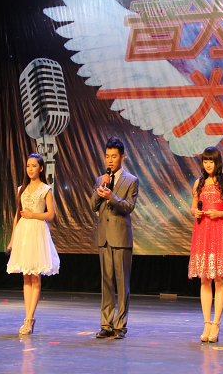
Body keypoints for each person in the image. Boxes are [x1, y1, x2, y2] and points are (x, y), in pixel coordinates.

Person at [188, 146, 223, 343]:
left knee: (219, 278)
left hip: (220, 230)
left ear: (218, 163)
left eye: (211, 161)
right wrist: (196, 212)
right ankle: (206, 324)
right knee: (204, 279)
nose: (208, 164)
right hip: (202, 231)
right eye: (205, 161)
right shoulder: (198, 183)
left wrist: (219, 214)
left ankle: (216, 324)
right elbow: (192, 208)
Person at [90, 136, 139, 340]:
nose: (110, 160)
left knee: (122, 283)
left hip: (121, 237)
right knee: (106, 282)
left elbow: (129, 207)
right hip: (104, 237)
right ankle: (106, 324)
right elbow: (93, 205)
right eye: (107, 156)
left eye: (114, 156)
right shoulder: (101, 179)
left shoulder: (131, 180)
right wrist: (101, 189)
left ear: (122, 157)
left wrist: (113, 197)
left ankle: (120, 325)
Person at [6, 153, 60, 335]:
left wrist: (32, 215)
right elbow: (17, 215)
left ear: (41, 168)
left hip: (37, 232)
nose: (30, 169)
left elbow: (50, 214)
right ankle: (27, 316)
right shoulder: (21, 188)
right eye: (28, 165)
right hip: (23, 233)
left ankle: (29, 318)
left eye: (34, 166)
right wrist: (12, 239)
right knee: (26, 276)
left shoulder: (45, 189)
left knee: (35, 276)